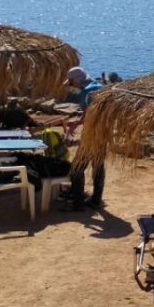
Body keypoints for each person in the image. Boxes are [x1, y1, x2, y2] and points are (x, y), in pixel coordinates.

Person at [63, 67, 105, 210]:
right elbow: (89, 114)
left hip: (92, 136)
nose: (71, 85)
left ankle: (78, 204)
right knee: (98, 167)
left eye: (70, 82)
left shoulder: (87, 92)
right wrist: (76, 123)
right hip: (103, 134)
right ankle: (96, 201)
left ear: (75, 80)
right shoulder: (100, 87)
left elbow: (89, 116)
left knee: (76, 169)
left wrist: (74, 126)